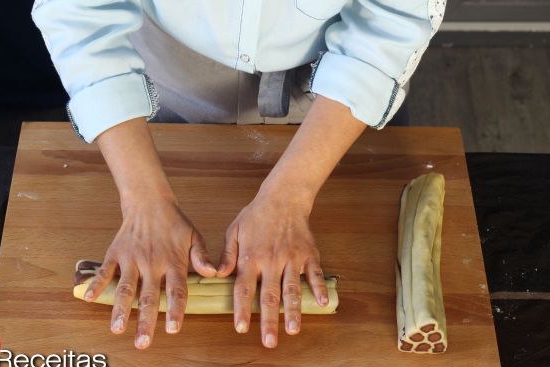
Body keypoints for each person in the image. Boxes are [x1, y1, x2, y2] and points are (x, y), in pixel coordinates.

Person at [31, 0, 445, 349]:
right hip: (166, 75)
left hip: (342, 85)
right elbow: (77, 12)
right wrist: (144, 201)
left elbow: (393, 16)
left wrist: (290, 196)